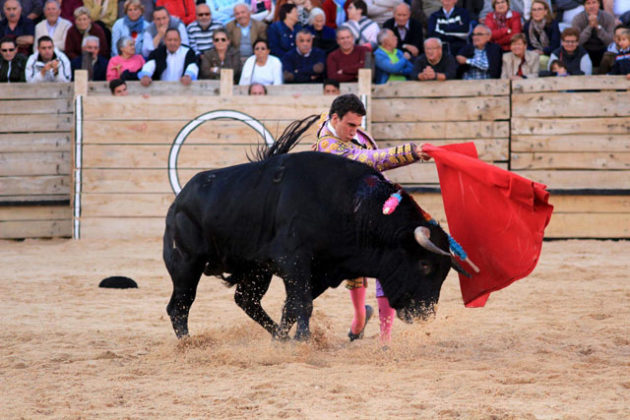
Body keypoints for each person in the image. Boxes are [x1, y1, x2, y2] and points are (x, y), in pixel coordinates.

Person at [312, 93, 431, 344]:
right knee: (351, 267)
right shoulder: (329, 146)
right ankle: (358, 317)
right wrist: (412, 152)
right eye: (350, 125)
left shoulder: (345, 129)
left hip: (371, 205)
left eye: (358, 126)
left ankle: (384, 338)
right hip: (340, 214)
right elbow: (369, 159)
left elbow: (375, 165)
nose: (354, 132)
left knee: (383, 262)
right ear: (335, 119)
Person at [571, 0, 615, 67]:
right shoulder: (577, 18)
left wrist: (598, 27)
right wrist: (590, 26)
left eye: (594, 2)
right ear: (584, 6)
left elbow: (610, 41)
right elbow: (577, 41)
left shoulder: (608, 17)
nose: (591, 6)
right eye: (588, 3)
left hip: (603, 48)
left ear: (599, 4)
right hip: (584, 49)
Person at [523, 0, 560, 71]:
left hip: (550, 54)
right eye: (534, 10)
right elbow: (527, 45)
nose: (536, 12)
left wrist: (543, 51)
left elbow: (555, 45)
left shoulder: (553, 24)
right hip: (533, 54)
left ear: (546, 11)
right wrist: (534, 52)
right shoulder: (527, 25)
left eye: (539, 9)